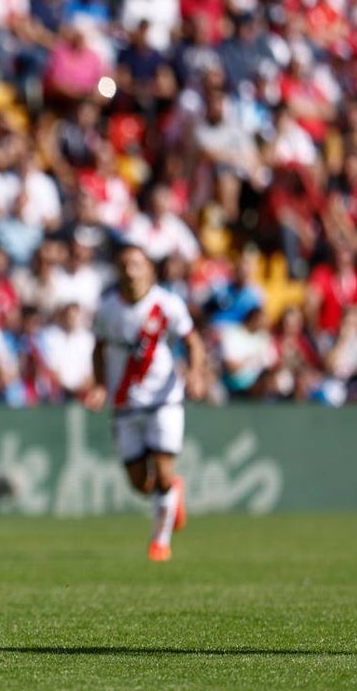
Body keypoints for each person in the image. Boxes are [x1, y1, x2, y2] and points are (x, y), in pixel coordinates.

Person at [83, 239, 207, 562]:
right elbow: (98, 348)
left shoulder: (167, 304)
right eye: (124, 265)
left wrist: (194, 373)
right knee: (140, 483)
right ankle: (171, 494)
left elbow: (192, 341)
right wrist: (98, 385)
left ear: (149, 270)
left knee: (164, 473)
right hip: (125, 403)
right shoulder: (108, 309)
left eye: (136, 264)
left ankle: (160, 542)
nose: (130, 271)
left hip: (164, 400)